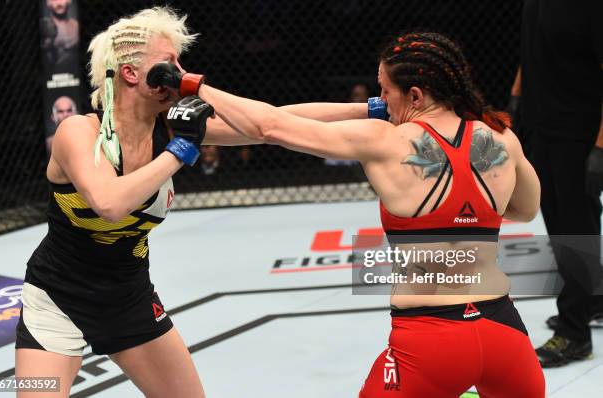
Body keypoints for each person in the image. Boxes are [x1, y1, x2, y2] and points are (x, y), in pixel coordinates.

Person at [151, 31, 545, 396]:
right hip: (504, 334)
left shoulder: (384, 141)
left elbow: (271, 125)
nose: (380, 98)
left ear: (414, 95)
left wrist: (192, 84)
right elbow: (526, 209)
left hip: (430, 339)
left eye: (384, 90)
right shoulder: (500, 137)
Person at [15, 7, 367, 397]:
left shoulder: (169, 129)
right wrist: (180, 150)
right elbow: (109, 203)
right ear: (131, 73)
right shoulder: (78, 132)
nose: (179, 72)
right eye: (169, 64)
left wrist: (369, 110)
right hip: (54, 302)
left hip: (129, 299)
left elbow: (277, 122)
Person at [517, 0, 603, 367]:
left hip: (578, 133)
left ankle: (574, 334)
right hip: (542, 124)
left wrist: (600, 147)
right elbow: (530, 52)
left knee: (574, 227)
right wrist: (516, 98)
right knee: (558, 218)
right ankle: (593, 301)